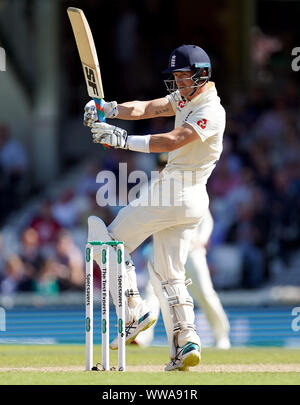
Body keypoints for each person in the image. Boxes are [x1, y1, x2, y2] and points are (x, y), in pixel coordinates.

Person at [84, 45, 226, 371]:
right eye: (174, 76)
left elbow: (174, 140)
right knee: (168, 274)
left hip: (175, 190)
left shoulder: (211, 110)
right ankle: (186, 342)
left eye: (183, 76)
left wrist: (123, 141)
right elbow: (148, 108)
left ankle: (133, 309)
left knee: (107, 244)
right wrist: (110, 108)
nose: (177, 83)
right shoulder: (186, 98)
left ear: (202, 75)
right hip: (191, 202)